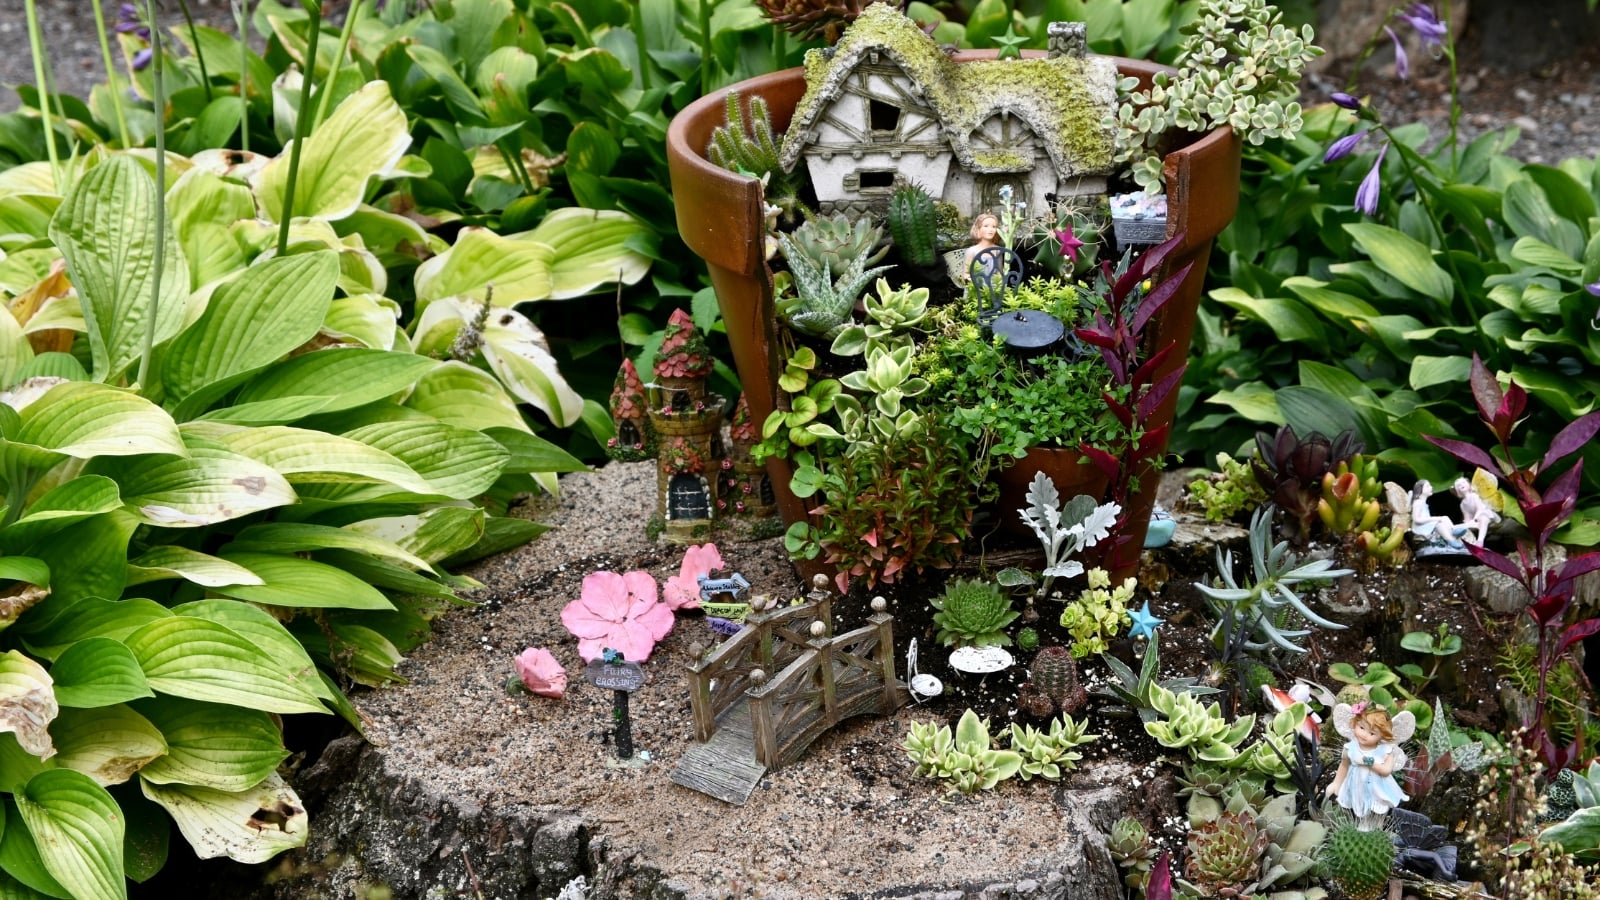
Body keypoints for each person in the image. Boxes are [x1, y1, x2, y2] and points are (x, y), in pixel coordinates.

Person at [1326, 702, 1412, 830]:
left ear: (1382, 735)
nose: (1364, 735)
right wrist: (1336, 784)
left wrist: (1369, 762)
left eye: (1372, 733)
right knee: (1357, 807)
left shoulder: (1386, 751)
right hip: (1356, 785)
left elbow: (1386, 771)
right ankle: (1357, 827)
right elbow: (1344, 766)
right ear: (1355, 723)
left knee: (1377, 808)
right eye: (1361, 728)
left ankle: (1376, 829)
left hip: (1377, 787)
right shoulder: (1350, 748)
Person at [1409, 480, 1465, 549]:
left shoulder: (1423, 503)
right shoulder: (1418, 503)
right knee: (1438, 524)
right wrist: (1434, 519)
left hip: (1424, 525)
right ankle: (1452, 541)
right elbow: (1416, 519)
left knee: (1444, 517)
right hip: (1419, 528)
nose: (1431, 487)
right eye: (1427, 486)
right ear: (1420, 490)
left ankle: (1453, 530)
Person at [1452, 477, 1499, 546]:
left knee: (1482, 518)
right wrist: (1468, 523)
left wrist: (1475, 519)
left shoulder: (1474, 496)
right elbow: (1467, 517)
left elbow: (1480, 509)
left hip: (1486, 515)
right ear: (1457, 490)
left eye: (1463, 483)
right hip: (1475, 520)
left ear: (1469, 485)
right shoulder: (1462, 504)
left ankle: (1480, 541)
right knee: (1462, 526)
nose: (1462, 485)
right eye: (1459, 485)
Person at [963, 212, 1001, 283]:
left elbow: (999, 273)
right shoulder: (972, 251)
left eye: (994, 226)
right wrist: (975, 284)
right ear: (978, 229)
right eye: (986, 226)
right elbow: (966, 274)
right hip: (976, 289)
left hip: (993, 289)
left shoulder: (997, 250)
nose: (990, 229)